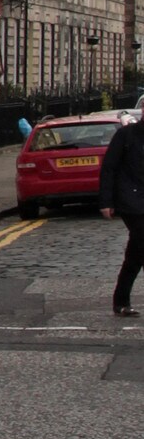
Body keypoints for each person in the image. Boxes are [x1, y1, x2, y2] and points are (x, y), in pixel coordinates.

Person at [98, 112, 144, 315]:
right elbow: (109, 168)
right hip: (131, 200)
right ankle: (121, 301)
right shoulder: (126, 135)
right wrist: (106, 201)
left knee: (135, 255)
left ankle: (121, 301)